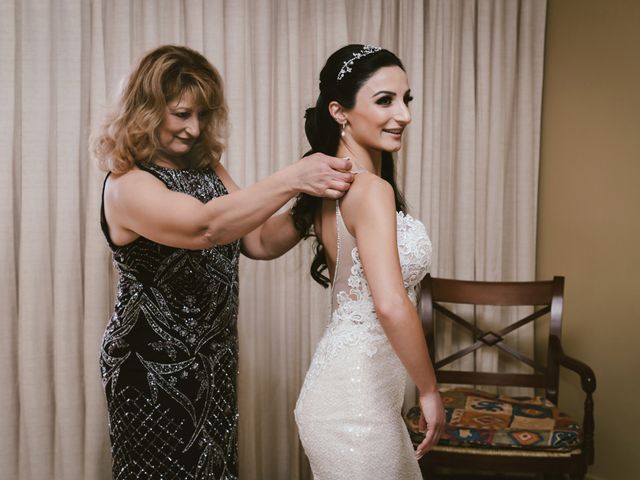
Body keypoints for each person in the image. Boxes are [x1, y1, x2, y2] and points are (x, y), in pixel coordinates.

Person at [91, 45, 353, 479]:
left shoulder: (208, 168)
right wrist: (291, 178)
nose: (194, 129)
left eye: (202, 115)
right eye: (181, 114)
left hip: (213, 360)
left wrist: (311, 200)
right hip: (149, 370)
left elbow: (260, 240)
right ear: (147, 110)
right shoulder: (127, 184)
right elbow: (204, 228)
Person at [292, 44, 445, 479]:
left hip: (362, 400)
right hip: (353, 409)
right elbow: (392, 304)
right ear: (340, 112)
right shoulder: (369, 190)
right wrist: (430, 391)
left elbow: (257, 245)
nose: (404, 115)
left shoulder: (334, 186)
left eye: (405, 99)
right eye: (385, 100)